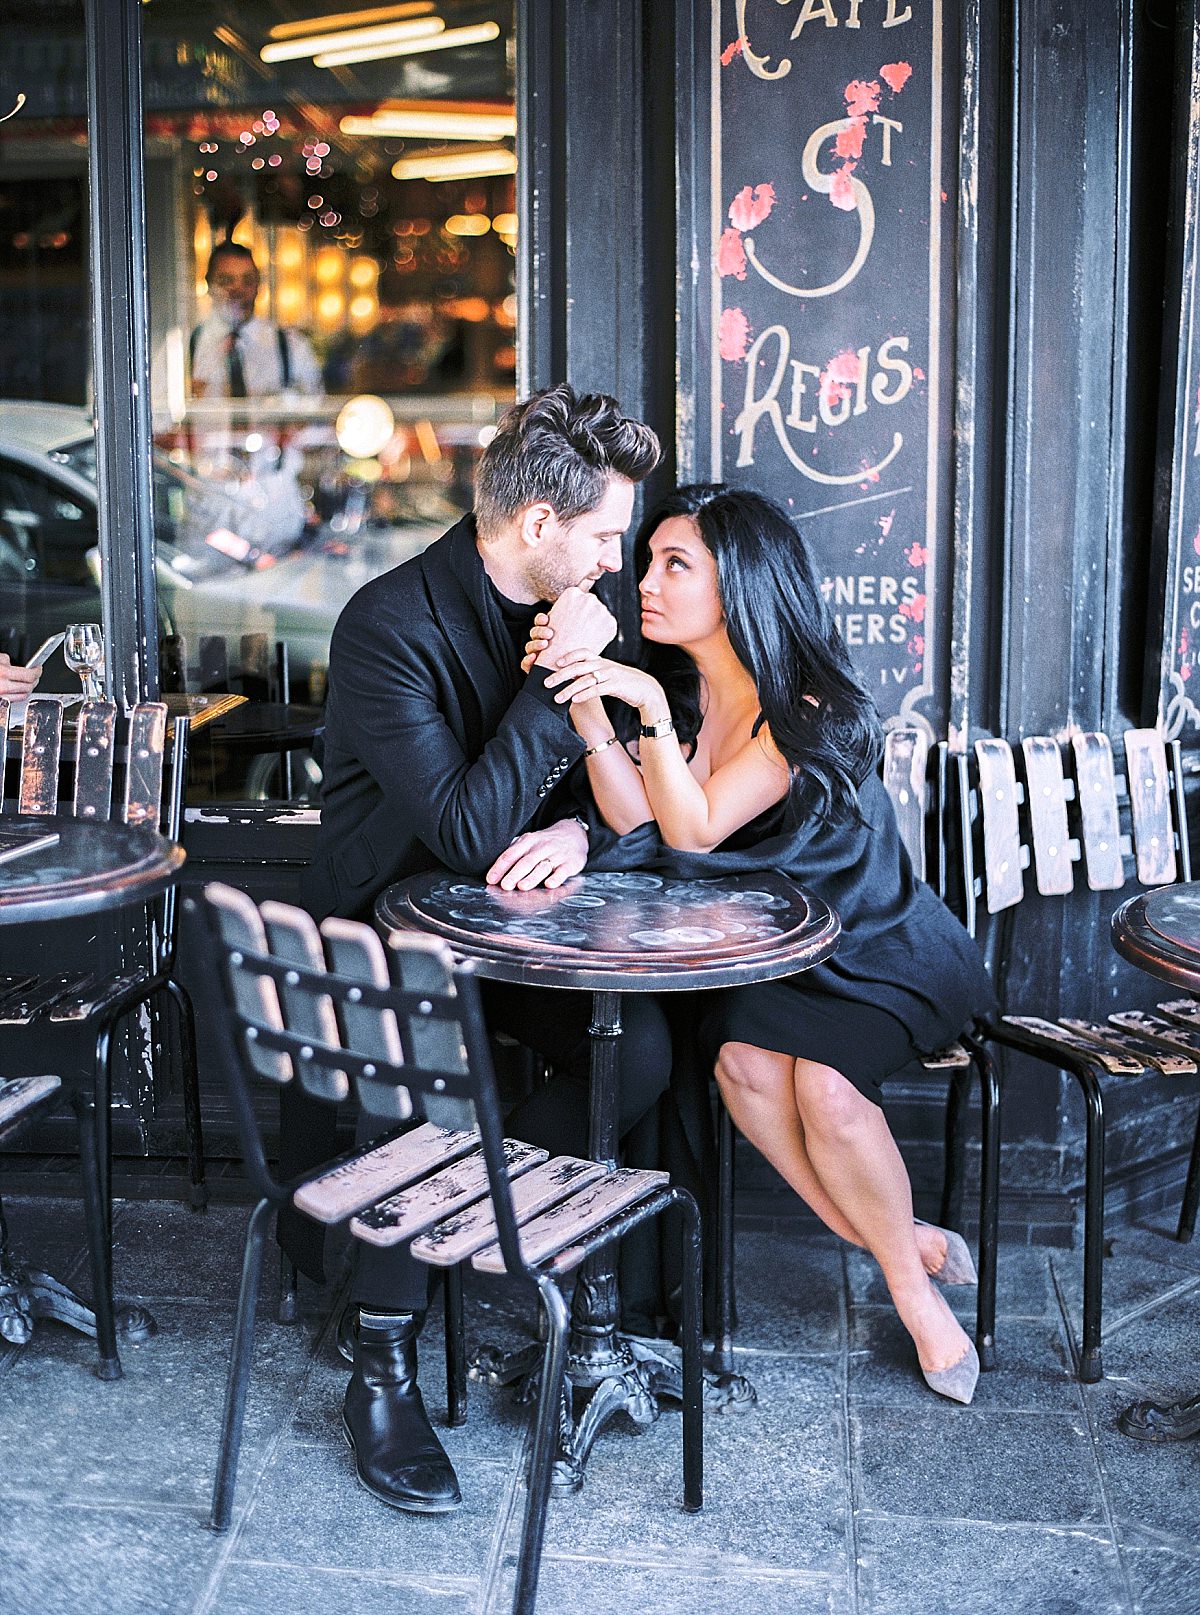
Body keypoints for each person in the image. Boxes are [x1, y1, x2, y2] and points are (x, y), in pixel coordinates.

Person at [530, 483, 997, 1406]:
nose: (646, 584)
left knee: (823, 1087)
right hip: (781, 954)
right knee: (743, 1066)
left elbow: (695, 829)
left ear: (739, 584)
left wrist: (643, 706)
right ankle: (907, 1239)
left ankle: (909, 1289)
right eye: (650, 560)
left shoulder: (804, 706)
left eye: (676, 564)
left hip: (883, 947)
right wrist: (586, 703)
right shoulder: (700, 695)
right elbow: (645, 820)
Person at [294, 384, 667, 1516]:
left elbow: (625, 808)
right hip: (386, 938)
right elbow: (458, 827)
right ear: (540, 528)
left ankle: (442, 1222)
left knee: (639, 1050)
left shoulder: (586, 603)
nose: (619, 558)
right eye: (605, 534)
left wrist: (576, 830)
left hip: (524, 935)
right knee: (436, 1082)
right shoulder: (388, 624)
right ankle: (383, 1365)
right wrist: (562, 679)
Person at [189, 241, 323, 400]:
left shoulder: (292, 345)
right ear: (209, 285)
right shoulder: (188, 345)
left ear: (258, 285)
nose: (238, 290)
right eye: (226, 280)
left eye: (247, 280)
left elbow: (316, 408)